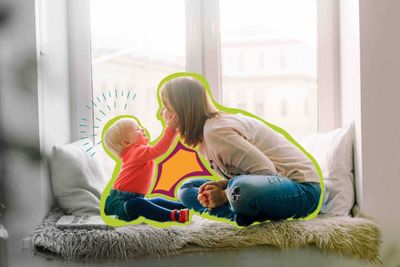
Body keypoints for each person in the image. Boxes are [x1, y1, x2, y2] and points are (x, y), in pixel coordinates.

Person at [159, 75, 322, 226]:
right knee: (188, 189)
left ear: (182, 110)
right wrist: (224, 186)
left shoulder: (216, 132)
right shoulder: (205, 137)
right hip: (265, 186)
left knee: (240, 189)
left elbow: (267, 172)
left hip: (302, 189)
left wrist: (224, 194)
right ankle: (239, 215)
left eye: (166, 107)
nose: (162, 113)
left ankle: (239, 210)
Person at [103, 116, 189, 223]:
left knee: (156, 200)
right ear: (126, 143)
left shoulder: (137, 152)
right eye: (137, 129)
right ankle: (174, 215)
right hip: (119, 202)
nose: (142, 129)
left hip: (132, 198)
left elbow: (162, 148)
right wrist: (170, 129)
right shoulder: (136, 152)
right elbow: (159, 149)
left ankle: (184, 206)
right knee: (139, 203)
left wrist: (174, 133)